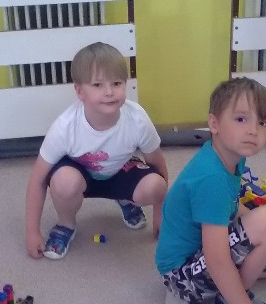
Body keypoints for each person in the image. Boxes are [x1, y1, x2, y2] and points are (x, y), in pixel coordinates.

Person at [155, 77, 266, 304]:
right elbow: (217, 259)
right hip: (181, 275)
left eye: (262, 123)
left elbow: (230, 205)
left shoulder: (230, 155)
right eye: (241, 119)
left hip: (199, 253)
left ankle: (231, 291)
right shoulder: (211, 178)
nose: (253, 131)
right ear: (214, 124)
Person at [25, 42, 168, 260]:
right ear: (80, 91)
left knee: (155, 186)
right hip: (79, 176)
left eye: (117, 83)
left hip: (119, 170)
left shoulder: (137, 119)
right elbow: (37, 179)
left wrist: (161, 213)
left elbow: (158, 164)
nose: (109, 92)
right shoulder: (65, 127)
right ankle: (66, 223)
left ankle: (125, 198)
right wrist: (31, 232)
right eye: (98, 85)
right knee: (63, 181)